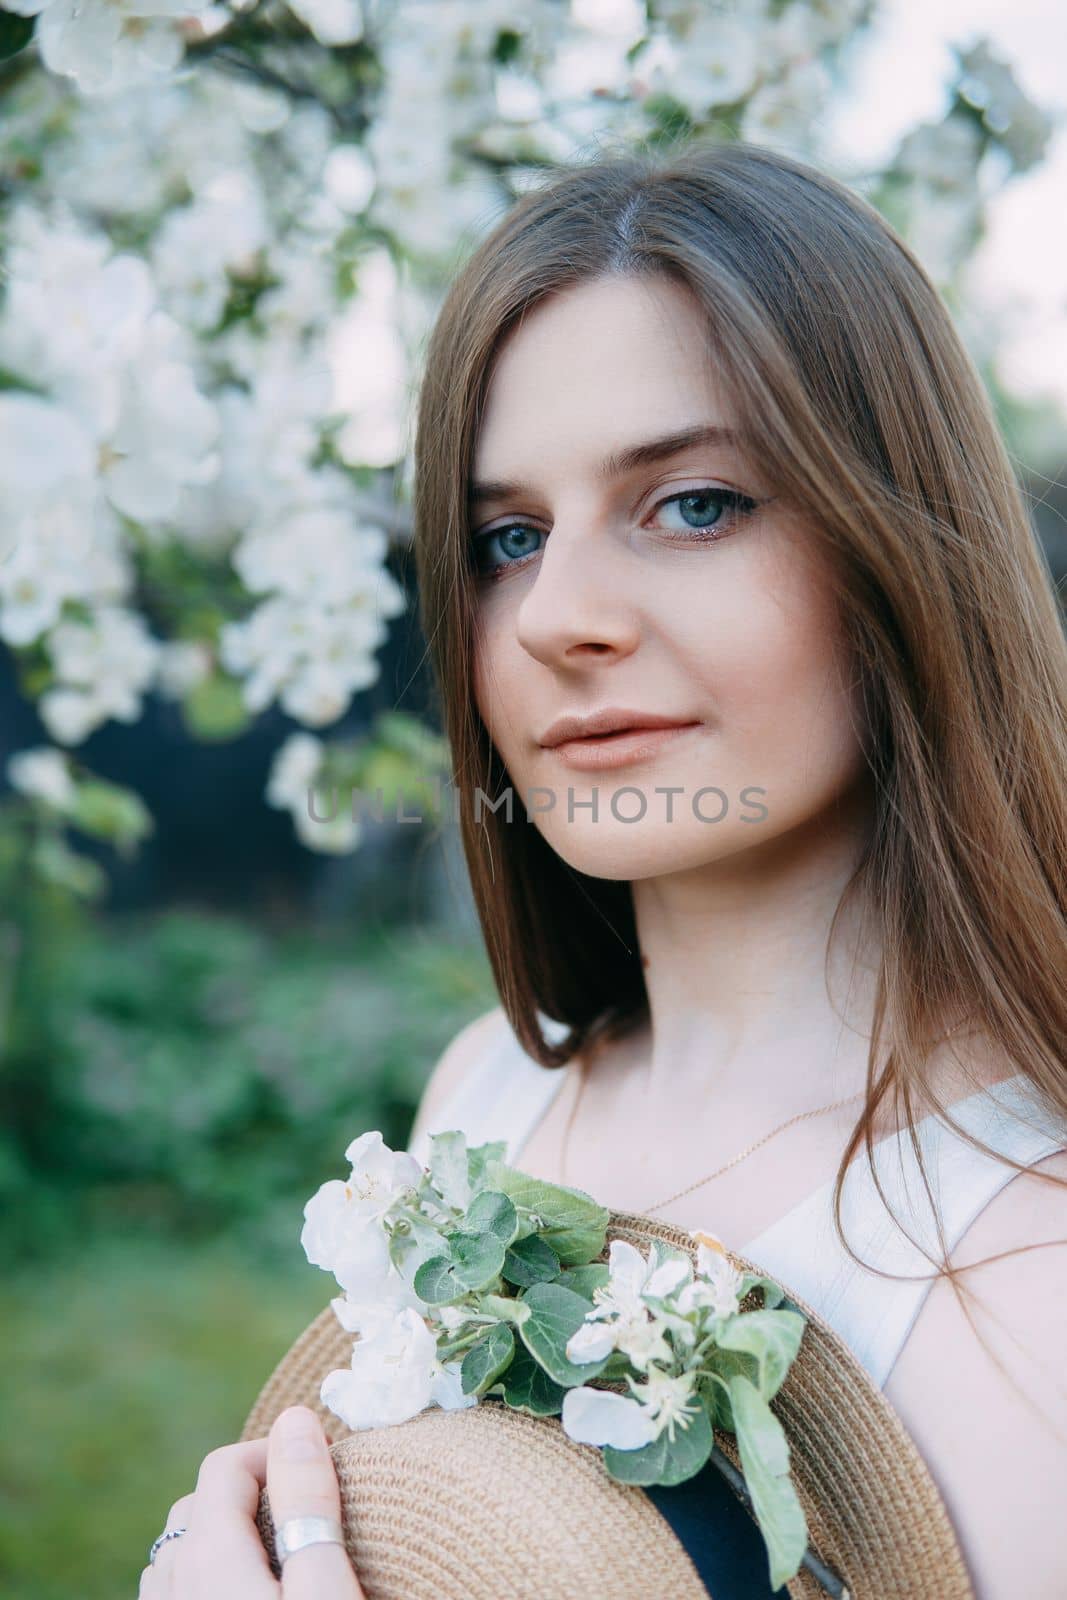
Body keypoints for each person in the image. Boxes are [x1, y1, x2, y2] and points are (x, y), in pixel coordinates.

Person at [140, 139, 1067, 1600]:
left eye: (692, 503)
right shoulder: (481, 1100)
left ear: (901, 550)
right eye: (506, 538)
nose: (557, 616)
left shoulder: (1027, 1272)